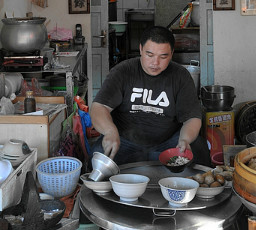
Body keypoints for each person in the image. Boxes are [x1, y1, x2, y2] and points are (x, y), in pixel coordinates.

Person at [90, 25, 211, 166]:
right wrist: (110, 131)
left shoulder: (180, 76)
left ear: (172, 53)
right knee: (97, 155)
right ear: (141, 49)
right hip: (124, 141)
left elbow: (192, 118)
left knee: (198, 149)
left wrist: (185, 140)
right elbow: (99, 107)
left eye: (163, 56)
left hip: (168, 141)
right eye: (150, 55)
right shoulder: (123, 71)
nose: (155, 63)